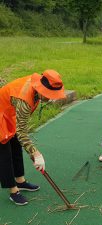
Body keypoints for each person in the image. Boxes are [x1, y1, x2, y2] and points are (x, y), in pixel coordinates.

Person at [0, 70, 65, 205]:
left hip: (9, 112)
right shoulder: (24, 100)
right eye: (49, 95)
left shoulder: (37, 84)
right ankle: (13, 191)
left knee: (16, 145)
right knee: (4, 152)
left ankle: (20, 181)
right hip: (1, 113)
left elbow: (20, 133)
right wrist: (36, 153)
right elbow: (22, 132)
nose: (51, 98)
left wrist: (32, 150)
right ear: (41, 90)